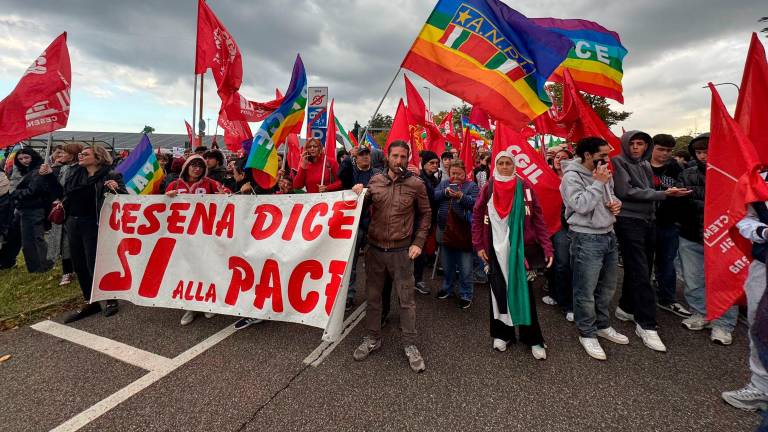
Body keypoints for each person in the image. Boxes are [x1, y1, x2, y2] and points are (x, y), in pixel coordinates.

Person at [351, 140, 431, 373]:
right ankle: (372, 338)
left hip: (401, 252)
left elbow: (426, 215)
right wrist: (358, 195)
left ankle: (410, 344)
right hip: (375, 250)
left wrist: (418, 242)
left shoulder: (416, 184)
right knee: (374, 298)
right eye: (395, 156)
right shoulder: (375, 181)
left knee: (406, 301)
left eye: (403, 157)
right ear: (387, 157)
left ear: (408, 159)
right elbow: (359, 210)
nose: (399, 161)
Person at [612, 130, 690, 353]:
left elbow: (649, 190)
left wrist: (667, 193)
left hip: (648, 220)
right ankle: (646, 324)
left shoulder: (645, 165)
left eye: (641, 144)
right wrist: (664, 194)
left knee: (641, 270)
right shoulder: (618, 161)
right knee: (639, 270)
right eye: (633, 143)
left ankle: (626, 307)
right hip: (628, 220)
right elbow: (626, 191)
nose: (637, 148)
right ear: (626, 144)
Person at [472, 151, 553, 360]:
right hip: (494, 251)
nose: (505, 167)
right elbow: (477, 215)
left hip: (520, 251)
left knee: (524, 292)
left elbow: (538, 219)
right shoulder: (488, 188)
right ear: (495, 166)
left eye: (509, 163)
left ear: (514, 165)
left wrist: (547, 246)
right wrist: (478, 244)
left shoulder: (524, 187)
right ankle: (503, 334)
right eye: (501, 163)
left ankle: (533, 338)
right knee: (498, 292)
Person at [560, 137, 627, 360]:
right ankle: (587, 332)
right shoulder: (571, 177)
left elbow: (610, 196)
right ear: (588, 155)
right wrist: (598, 184)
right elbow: (580, 205)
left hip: (608, 234)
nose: (607, 160)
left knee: (608, 287)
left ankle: (602, 324)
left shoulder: (603, 172)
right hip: (586, 238)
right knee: (585, 290)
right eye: (602, 156)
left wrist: (616, 203)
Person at [676, 133, 738, 344]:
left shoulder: (733, 173)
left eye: (707, 151)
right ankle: (700, 313)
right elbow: (681, 203)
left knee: (724, 282)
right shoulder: (688, 174)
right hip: (691, 234)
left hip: (724, 238)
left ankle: (723, 323)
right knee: (693, 279)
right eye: (699, 152)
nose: (703, 156)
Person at [62, 146, 126, 323]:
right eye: (81, 154)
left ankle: (111, 299)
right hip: (74, 222)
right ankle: (91, 300)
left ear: (98, 158)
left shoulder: (111, 175)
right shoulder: (75, 173)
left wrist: (116, 189)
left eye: (86, 154)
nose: (81, 156)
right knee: (79, 264)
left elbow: (125, 197)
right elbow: (65, 193)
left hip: (95, 224)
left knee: (96, 263)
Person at [166, 155, 230, 325]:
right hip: (183, 237)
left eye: (200, 166)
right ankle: (190, 306)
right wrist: (167, 196)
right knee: (187, 270)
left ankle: (207, 304)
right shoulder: (175, 185)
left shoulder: (209, 183)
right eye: (193, 165)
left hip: (205, 235)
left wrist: (224, 195)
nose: (197, 168)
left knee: (206, 268)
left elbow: (227, 194)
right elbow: (161, 204)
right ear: (186, 167)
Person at [722, 193, 768, 410]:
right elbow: (743, 218)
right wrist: (763, 231)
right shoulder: (759, 182)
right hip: (763, 263)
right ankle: (761, 386)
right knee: (759, 326)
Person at [649, 134, 691, 318]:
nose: (664, 154)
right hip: (644, 222)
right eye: (661, 149)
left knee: (667, 263)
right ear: (652, 147)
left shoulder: (676, 167)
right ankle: (640, 299)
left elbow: (685, 192)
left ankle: (668, 299)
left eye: (668, 150)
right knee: (642, 263)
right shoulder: (641, 165)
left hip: (668, 223)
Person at [338, 146, 381, 310]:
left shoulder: (377, 173)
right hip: (353, 225)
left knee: (373, 264)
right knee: (351, 263)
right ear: (356, 158)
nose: (364, 158)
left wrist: (366, 190)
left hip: (372, 225)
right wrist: (349, 157)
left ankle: (374, 296)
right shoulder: (351, 171)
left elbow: (381, 188)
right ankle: (349, 295)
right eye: (361, 155)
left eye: (366, 155)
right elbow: (342, 176)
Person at [435, 160, 479, 308]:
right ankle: (447, 288)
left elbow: (476, 204)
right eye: (453, 173)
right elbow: (433, 197)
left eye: (459, 173)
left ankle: (466, 293)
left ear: (464, 172)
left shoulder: (471, 186)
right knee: (447, 265)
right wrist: (444, 193)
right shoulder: (444, 184)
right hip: (444, 229)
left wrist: (461, 197)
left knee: (465, 266)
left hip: (463, 231)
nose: (456, 176)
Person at [41, 143, 83, 285]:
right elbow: (59, 190)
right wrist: (49, 175)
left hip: (75, 211)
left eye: (63, 153)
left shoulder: (82, 170)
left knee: (72, 243)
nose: (60, 156)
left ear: (72, 155)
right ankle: (67, 272)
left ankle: (78, 269)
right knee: (64, 243)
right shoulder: (64, 169)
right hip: (63, 211)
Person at [10, 148, 56, 273]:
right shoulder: (24, 171)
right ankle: (38, 265)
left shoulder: (38, 170)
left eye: (26, 157)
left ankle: (42, 266)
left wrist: (16, 193)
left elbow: (33, 191)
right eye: (20, 159)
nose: (23, 161)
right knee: (28, 239)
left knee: (34, 239)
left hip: (34, 208)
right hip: (25, 208)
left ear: (32, 157)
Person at [543, 148, 575, 321]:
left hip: (565, 226)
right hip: (546, 225)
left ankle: (567, 304)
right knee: (551, 261)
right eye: (556, 157)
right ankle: (554, 293)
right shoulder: (545, 175)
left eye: (563, 157)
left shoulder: (574, 178)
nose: (559, 160)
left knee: (564, 264)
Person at [414, 150, 440, 295]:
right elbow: (433, 194)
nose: (435, 165)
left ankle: (417, 279)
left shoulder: (434, 179)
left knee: (422, 252)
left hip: (429, 220)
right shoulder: (419, 178)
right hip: (417, 220)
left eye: (436, 163)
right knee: (418, 250)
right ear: (424, 164)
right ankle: (415, 280)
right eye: (431, 163)